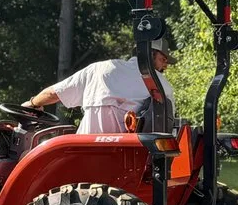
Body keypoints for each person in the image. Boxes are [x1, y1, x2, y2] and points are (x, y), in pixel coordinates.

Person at [24, 37, 177, 134]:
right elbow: (164, 128)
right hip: (130, 162)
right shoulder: (163, 87)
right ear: (150, 54)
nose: (165, 66)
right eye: (163, 60)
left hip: (84, 154)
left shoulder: (100, 70)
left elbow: (55, 93)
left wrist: (32, 104)